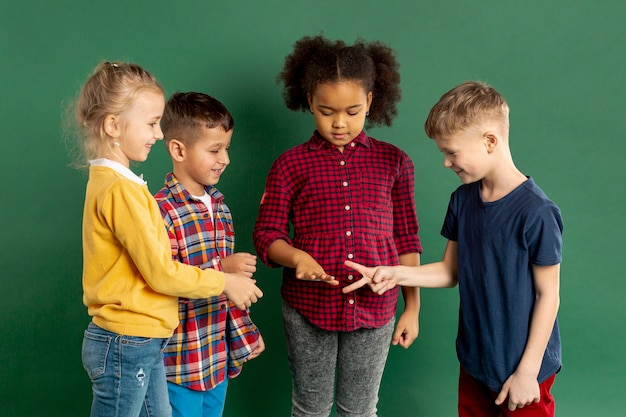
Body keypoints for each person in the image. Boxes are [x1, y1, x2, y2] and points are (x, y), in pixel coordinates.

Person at [344, 81, 563, 417]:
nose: (446, 163)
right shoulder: (462, 200)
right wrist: (393, 273)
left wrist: (528, 372)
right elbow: (449, 272)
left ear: (490, 141)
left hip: (524, 370)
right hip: (476, 361)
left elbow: (548, 295)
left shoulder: (537, 212)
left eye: (452, 152)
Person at [70, 61, 263, 417]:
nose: (157, 134)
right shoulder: (121, 191)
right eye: (151, 124)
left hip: (143, 340)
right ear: (113, 125)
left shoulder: (117, 184)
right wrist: (224, 279)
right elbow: (161, 272)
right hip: (128, 340)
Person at [253, 35, 422, 417]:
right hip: (308, 309)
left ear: (371, 103)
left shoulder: (396, 163)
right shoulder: (290, 165)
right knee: (310, 408)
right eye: (327, 110)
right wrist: (297, 258)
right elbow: (267, 235)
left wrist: (412, 307)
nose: (340, 123)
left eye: (353, 110)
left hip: (376, 309)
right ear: (309, 100)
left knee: (359, 409)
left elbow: (407, 239)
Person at [154, 91, 265, 417]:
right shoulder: (161, 211)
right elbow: (162, 281)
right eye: (214, 149)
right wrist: (222, 269)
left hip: (216, 356)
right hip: (179, 361)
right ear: (178, 149)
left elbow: (231, 292)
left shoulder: (221, 208)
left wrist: (246, 333)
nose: (225, 158)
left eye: (226, 148)